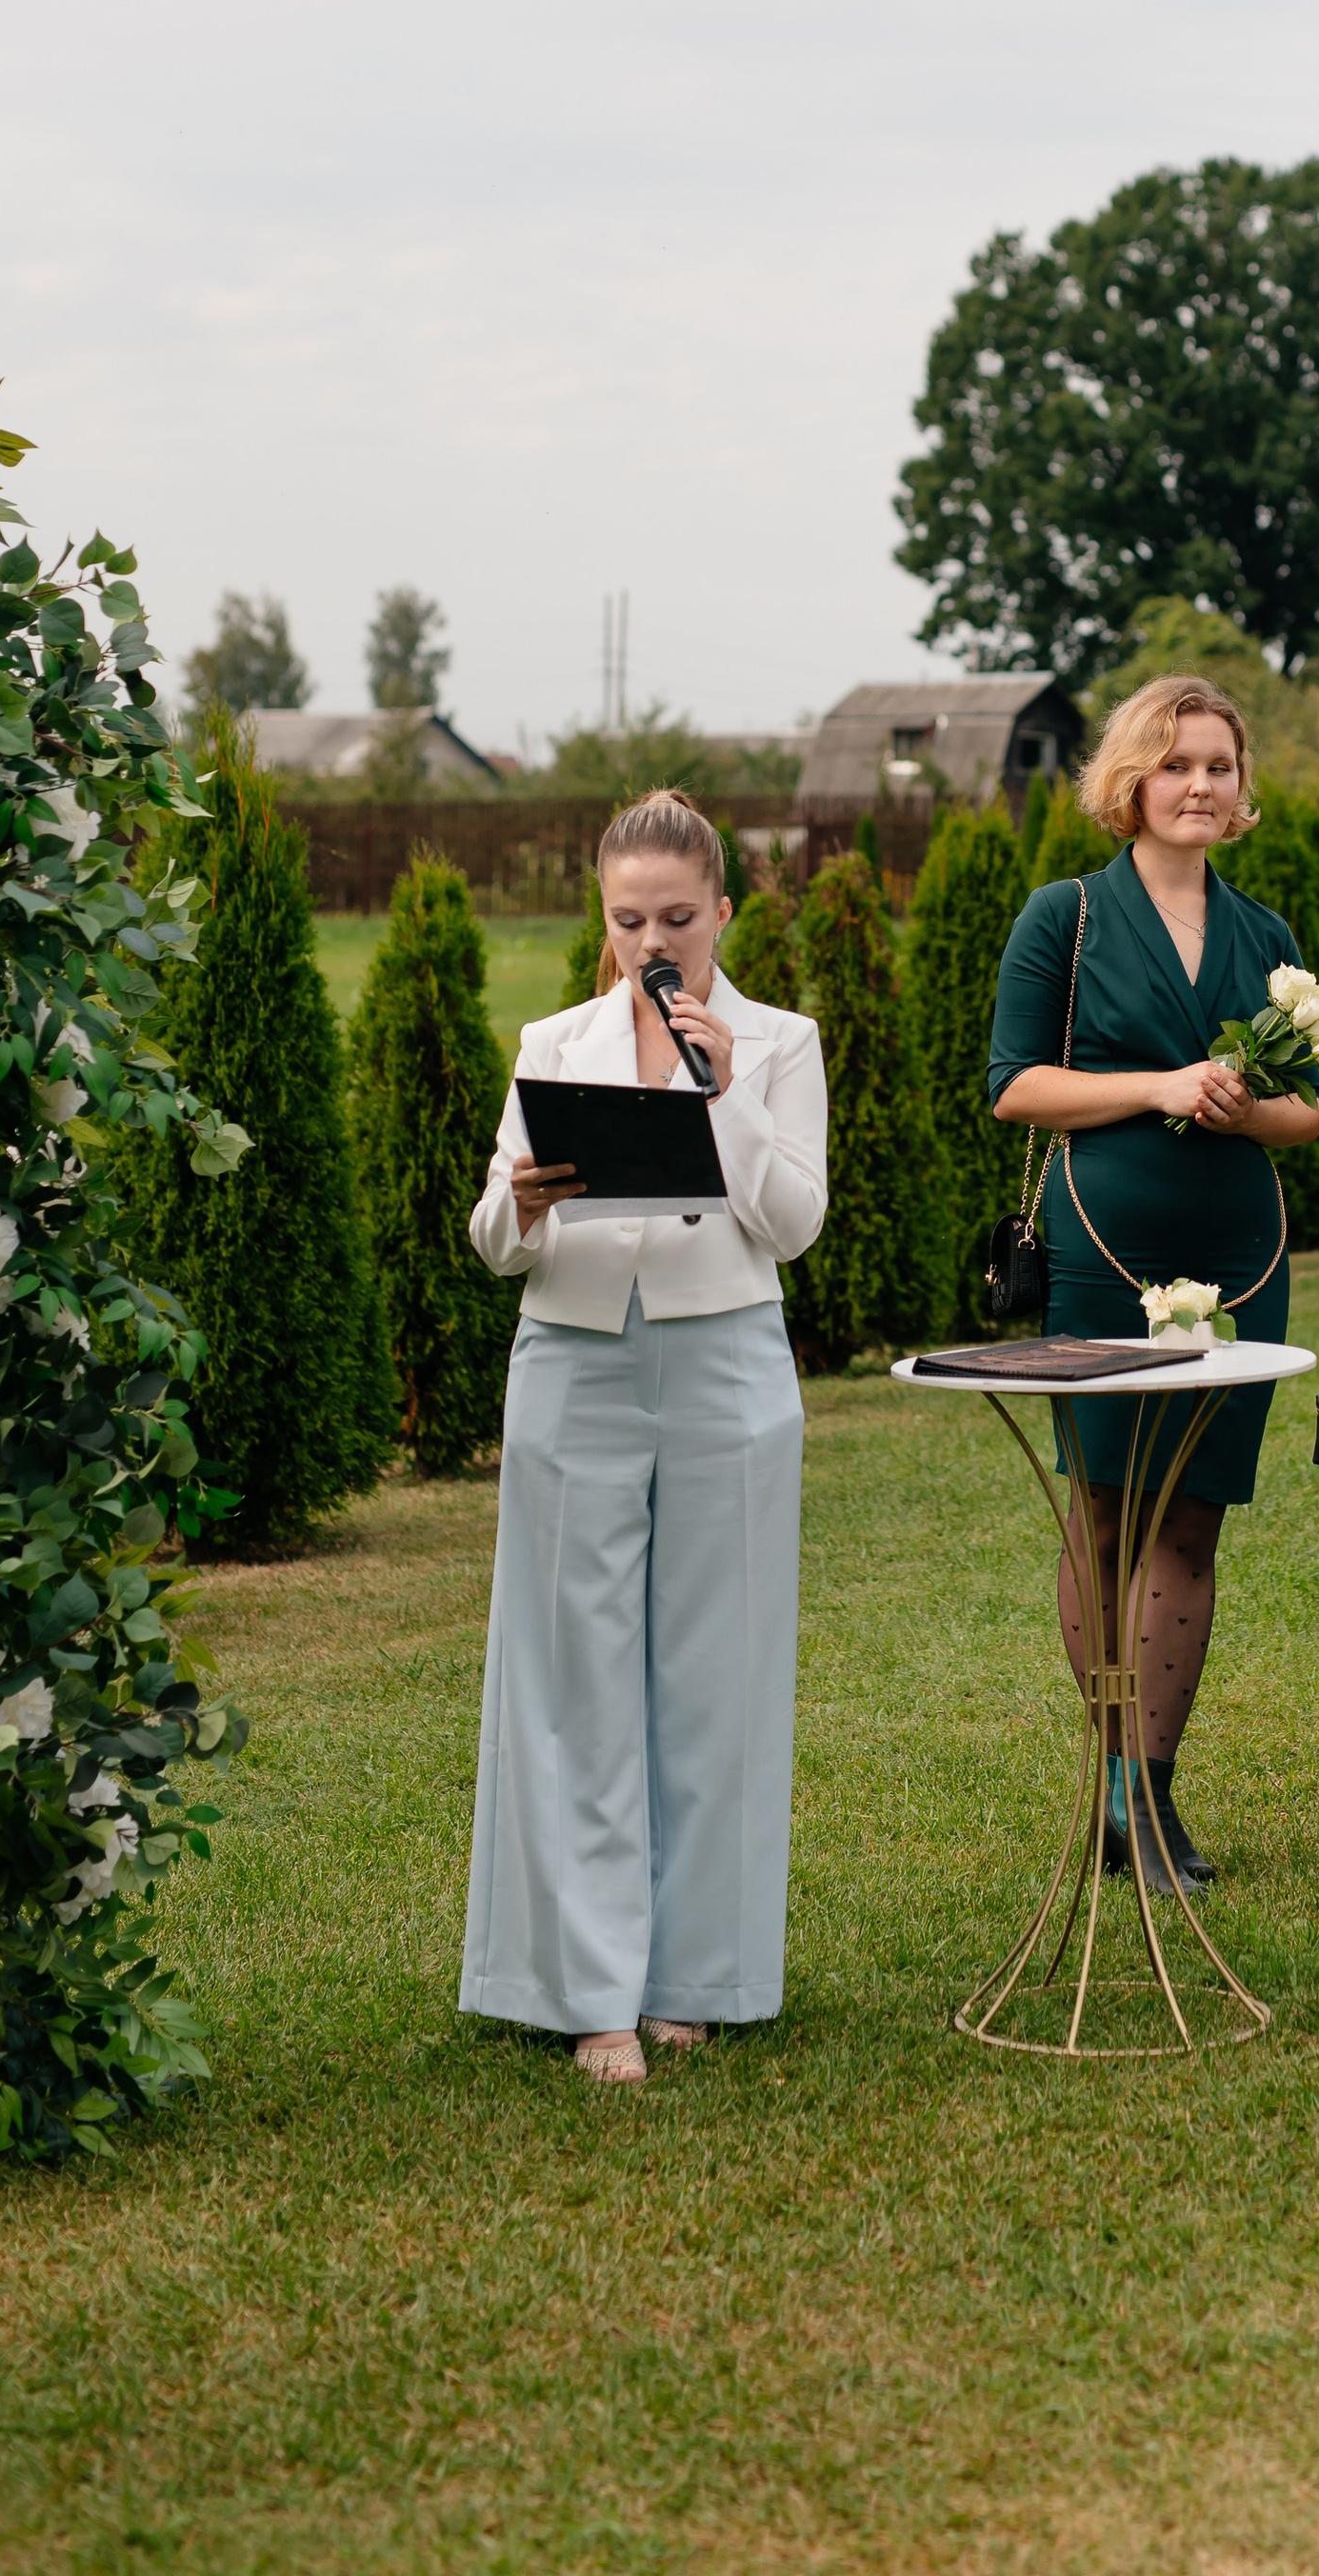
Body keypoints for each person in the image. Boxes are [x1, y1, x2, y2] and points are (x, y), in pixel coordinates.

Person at [461, 789, 826, 2082]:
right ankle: (589, 1990)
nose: (654, 940)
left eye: (678, 916)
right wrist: (524, 1202)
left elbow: (792, 1226)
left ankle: (697, 1974)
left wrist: (720, 1093)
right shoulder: (550, 1039)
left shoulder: (782, 1040)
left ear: (723, 910)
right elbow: (493, 1243)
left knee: (715, 1673)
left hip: (726, 1362)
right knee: (575, 1678)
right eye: (630, 920)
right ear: (602, 919)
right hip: (571, 1362)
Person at [988, 677, 1319, 1892]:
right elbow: (1015, 1084)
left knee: (1192, 1517)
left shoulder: (1267, 934)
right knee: (1109, 1512)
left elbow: (1311, 1112)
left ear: (1242, 789)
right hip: (1101, 1243)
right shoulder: (1064, 913)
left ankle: (1153, 1789)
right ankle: (1118, 1789)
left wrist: (1246, 1105)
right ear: (1129, 780)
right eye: (1175, 762)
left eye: (1219, 765)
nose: (1198, 784)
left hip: (1246, 1254)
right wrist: (1159, 1084)